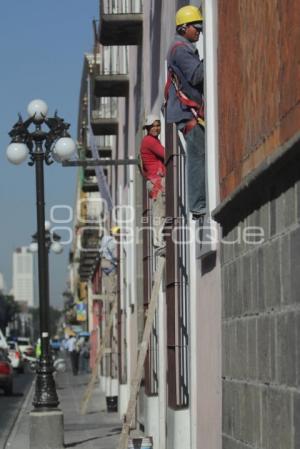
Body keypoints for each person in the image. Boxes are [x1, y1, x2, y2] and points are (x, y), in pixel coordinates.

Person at [165, 5, 206, 221]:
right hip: (187, 113)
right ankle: (199, 206)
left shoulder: (184, 46)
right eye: (195, 27)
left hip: (188, 112)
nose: (199, 31)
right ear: (183, 28)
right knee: (198, 156)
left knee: (201, 154)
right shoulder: (180, 49)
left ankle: (200, 203)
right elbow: (197, 76)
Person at [140, 114, 166, 250]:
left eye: (158, 125)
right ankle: (157, 240)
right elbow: (165, 153)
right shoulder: (149, 141)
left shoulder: (151, 140)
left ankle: (160, 239)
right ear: (148, 128)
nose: (156, 128)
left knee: (161, 211)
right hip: (157, 183)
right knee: (159, 212)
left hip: (155, 181)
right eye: (153, 126)